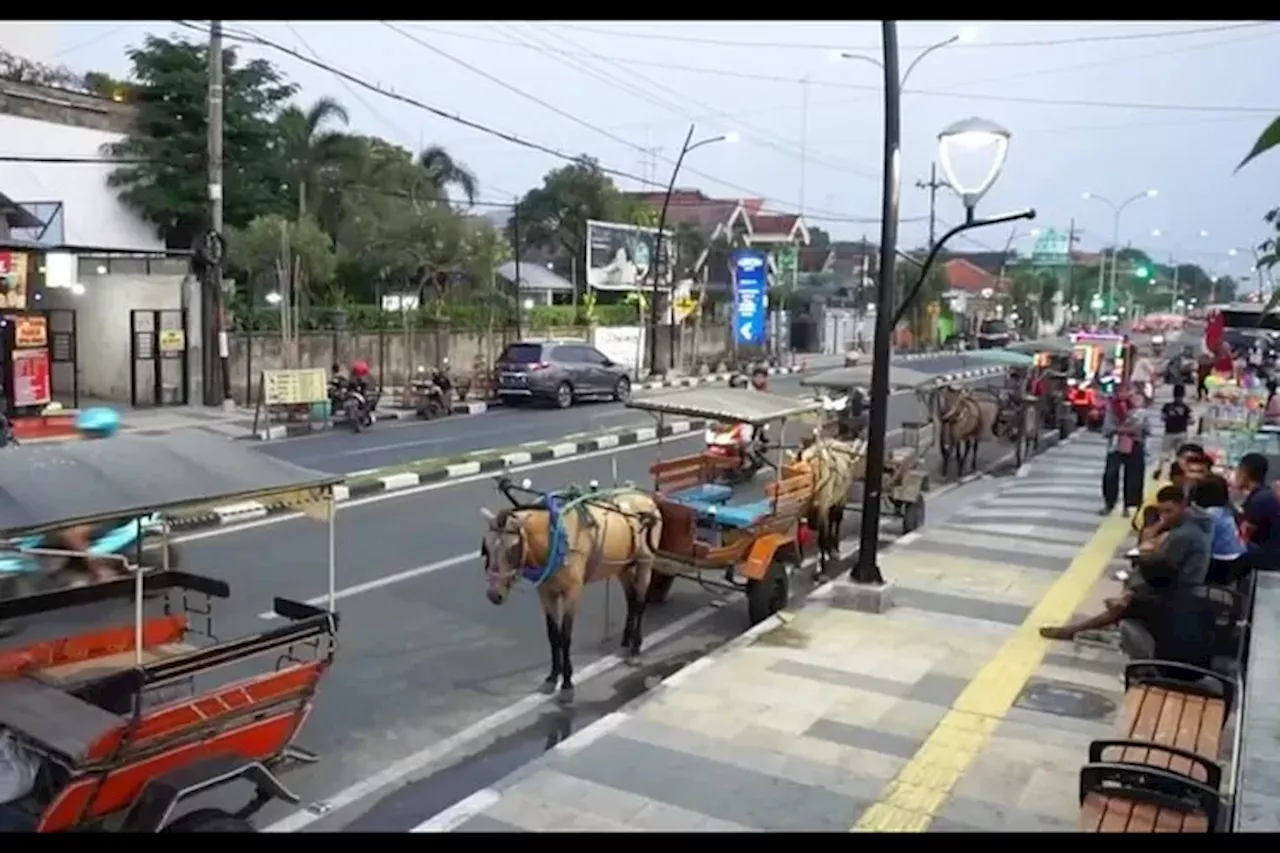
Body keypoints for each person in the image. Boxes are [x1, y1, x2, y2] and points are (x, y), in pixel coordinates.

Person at [1040, 485, 1213, 644]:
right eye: (1162, 513)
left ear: (1183, 505)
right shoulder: (1192, 524)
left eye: (1169, 511)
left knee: (1129, 597)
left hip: (1179, 591)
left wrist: (1132, 591)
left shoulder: (1184, 535)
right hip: (1184, 585)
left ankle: (1076, 630)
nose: (1165, 517)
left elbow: (1157, 566)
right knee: (1131, 584)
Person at [1100, 386, 1149, 517]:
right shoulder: (1112, 407)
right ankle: (1109, 502)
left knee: (1134, 475)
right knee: (1111, 474)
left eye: (1126, 391)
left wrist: (1137, 428)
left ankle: (1130, 505)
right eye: (1120, 392)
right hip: (1116, 444)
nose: (1124, 394)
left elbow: (1146, 428)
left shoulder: (1136, 407)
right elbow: (1107, 427)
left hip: (1135, 443)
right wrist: (1122, 430)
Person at [1190, 475, 1247, 585]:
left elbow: (1203, 543)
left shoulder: (1210, 515)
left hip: (1221, 563)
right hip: (1237, 558)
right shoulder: (1227, 510)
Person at [1236, 452, 1280, 570]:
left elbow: (1244, 536)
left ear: (1244, 473)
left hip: (1267, 558)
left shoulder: (1260, 500)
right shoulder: (1264, 494)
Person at [1154, 384, 1193, 479]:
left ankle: (1160, 468)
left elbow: (1163, 418)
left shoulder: (1167, 406)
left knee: (1164, 453)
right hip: (1182, 432)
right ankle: (1180, 471)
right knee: (1181, 454)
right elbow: (1190, 421)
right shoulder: (1186, 408)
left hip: (1169, 432)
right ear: (1183, 395)